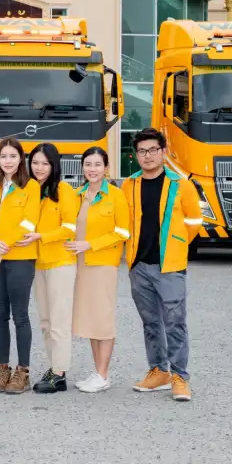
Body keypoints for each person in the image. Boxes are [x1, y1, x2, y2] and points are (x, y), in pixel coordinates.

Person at [121, 128, 202, 402]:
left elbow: (194, 222)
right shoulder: (129, 185)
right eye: (142, 151)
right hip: (138, 264)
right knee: (150, 322)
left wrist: (176, 243)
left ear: (163, 152)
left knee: (175, 322)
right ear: (136, 155)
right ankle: (159, 370)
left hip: (170, 266)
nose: (147, 156)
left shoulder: (181, 184)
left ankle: (180, 377)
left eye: (153, 150)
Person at [0, 137, 41, 394]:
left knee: (20, 315)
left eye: (13, 156)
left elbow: (28, 223)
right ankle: (3, 368)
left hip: (20, 258)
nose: (8, 161)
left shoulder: (31, 186)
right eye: (3, 156)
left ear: (21, 159)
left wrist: (0, 250)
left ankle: (22, 371)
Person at [14, 143, 79, 393]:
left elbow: (69, 228)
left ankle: (59, 373)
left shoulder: (64, 190)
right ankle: (54, 367)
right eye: (35, 163)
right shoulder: (29, 190)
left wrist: (41, 236)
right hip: (37, 263)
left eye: (45, 163)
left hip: (60, 262)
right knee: (45, 320)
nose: (39, 168)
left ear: (54, 166)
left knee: (59, 321)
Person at [69, 146, 130, 394]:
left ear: (106, 168)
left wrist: (90, 244)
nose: (92, 169)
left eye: (97, 164)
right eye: (88, 164)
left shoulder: (115, 195)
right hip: (80, 265)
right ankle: (97, 372)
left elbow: (123, 232)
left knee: (103, 319)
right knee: (91, 319)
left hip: (103, 264)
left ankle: (103, 375)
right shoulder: (77, 195)